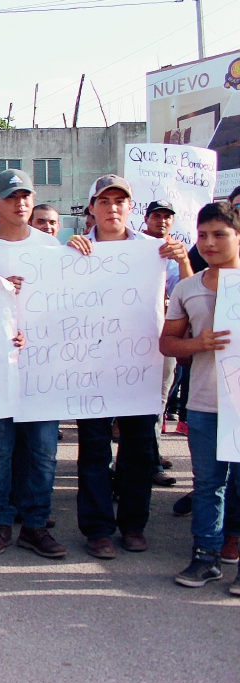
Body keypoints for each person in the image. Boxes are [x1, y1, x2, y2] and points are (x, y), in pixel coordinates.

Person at [65, 174, 190, 558]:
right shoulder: (75, 250)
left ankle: (133, 525)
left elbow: (187, 295)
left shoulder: (155, 251)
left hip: (140, 367)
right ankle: (98, 529)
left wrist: (183, 260)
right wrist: (64, 257)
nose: (112, 208)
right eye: (104, 201)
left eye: (120, 201)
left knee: (137, 450)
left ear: (130, 208)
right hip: (92, 369)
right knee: (94, 450)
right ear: (92, 208)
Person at [0, 170, 66, 558]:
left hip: (43, 367)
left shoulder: (53, 247)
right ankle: (0, 523)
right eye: (11, 197)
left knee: (42, 451)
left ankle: (35, 525)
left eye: (26, 195)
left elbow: (68, 306)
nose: (20, 203)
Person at [160, 202, 240, 594]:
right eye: (203, 234)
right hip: (206, 404)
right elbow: (167, 343)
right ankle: (205, 556)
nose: (209, 243)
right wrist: (197, 343)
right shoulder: (189, 288)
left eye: (220, 234)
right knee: (209, 484)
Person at [143, 199, 182, 488]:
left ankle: (151, 461)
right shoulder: (132, 249)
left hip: (165, 335)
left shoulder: (179, 255)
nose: (162, 221)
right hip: (129, 336)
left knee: (158, 400)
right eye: (157, 216)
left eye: (167, 217)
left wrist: (182, 260)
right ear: (146, 219)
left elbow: (185, 292)